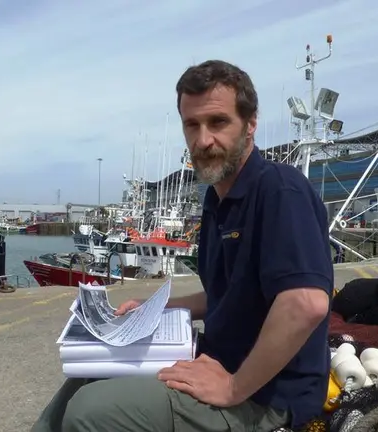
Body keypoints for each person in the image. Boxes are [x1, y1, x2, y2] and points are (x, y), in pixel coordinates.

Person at [53, 60, 334, 431]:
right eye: (192, 125)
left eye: (218, 122)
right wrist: (155, 308)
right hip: (217, 361)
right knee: (85, 377)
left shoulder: (280, 190)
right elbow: (228, 294)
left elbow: (305, 303)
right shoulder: (218, 199)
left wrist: (234, 387)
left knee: (88, 410)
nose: (202, 141)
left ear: (250, 124)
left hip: (267, 395)